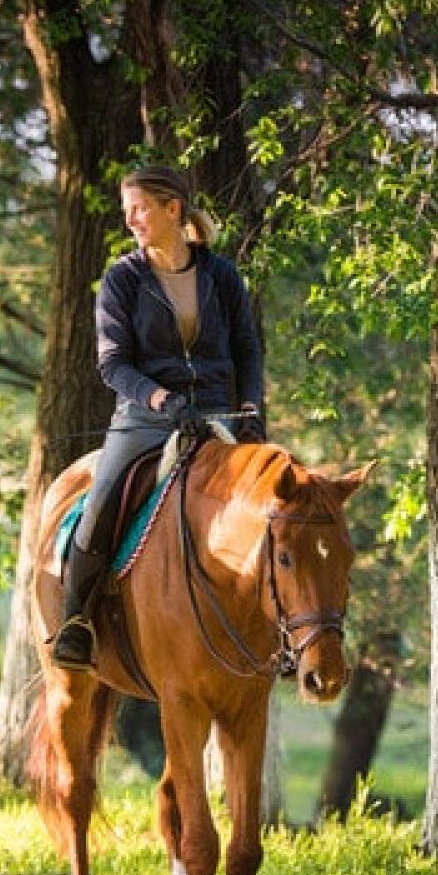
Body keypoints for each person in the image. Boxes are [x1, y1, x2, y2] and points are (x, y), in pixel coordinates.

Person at [50, 166, 267, 671]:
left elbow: (247, 350)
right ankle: (77, 621)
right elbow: (113, 365)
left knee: (278, 504)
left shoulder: (221, 276)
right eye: (128, 214)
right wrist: (163, 401)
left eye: (140, 209)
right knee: (102, 501)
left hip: (218, 413)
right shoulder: (122, 280)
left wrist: (252, 407)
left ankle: (275, 630)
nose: (133, 222)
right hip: (146, 417)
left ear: (173, 209)